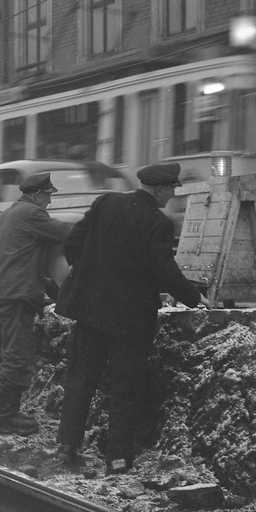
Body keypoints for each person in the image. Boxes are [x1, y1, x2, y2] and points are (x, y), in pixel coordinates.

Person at [55, 162, 209, 472]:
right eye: (172, 189)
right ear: (160, 189)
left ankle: (67, 448)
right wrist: (197, 298)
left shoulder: (106, 203)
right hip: (130, 319)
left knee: (81, 379)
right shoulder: (158, 222)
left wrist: (90, 275)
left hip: (91, 310)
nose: (173, 195)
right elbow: (165, 273)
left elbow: (72, 245)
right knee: (125, 387)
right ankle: (118, 458)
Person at [0, 172, 71, 435]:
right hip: (13, 295)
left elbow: (22, 257)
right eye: (48, 196)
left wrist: (47, 285)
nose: (49, 202)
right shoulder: (31, 214)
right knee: (17, 356)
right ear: (38, 194)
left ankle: (3, 412)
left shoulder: (9, 213)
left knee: (7, 354)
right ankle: (6, 417)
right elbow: (66, 233)